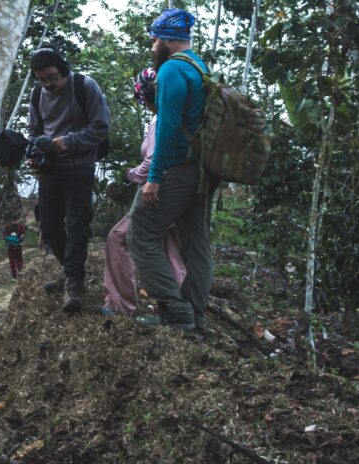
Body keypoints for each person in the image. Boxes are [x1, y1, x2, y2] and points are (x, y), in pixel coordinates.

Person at [128, 9, 214, 332]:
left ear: (166, 39)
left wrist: (154, 177)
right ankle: (196, 317)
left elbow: (167, 127)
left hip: (177, 168)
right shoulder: (199, 66)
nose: (152, 46)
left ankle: (177, 313)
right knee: (196, 243)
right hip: (202, 169)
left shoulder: (171, 70)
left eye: (154, 39)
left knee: (141, 233)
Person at [27, 45, 111, 313]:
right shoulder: (37, 92)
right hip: (51, 170)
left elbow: (101, 126)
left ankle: (73, 282)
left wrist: (70, 141)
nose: (47, 84)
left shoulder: (84, 86)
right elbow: (34, 129)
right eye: (41, 79)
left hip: (80, 167)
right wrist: (35, 152)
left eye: (51, 77)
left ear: (63, 71)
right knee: (49, 226)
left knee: (77, 225)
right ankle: (69, 269)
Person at [101, 68, 186, 316]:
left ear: (146, 96)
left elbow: (152, 161)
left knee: (118, 238)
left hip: (159, 190)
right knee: (170, 246)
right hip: (183, 189)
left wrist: (131, 174)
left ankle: (120, 304)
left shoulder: (160, 119)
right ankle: (176, 306)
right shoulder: (181, 115)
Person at [3, 215, 25, 279]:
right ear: (18, 219)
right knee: (19, 258)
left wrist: (8, 241)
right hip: (18, 246)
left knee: (12, 260)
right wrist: (19, 241)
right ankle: (20, 271)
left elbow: (4, 236)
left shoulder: (7, 226)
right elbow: (22, 236)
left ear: (12, 219)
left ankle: (14, 277)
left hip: (10, 246)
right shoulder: (21, 226)